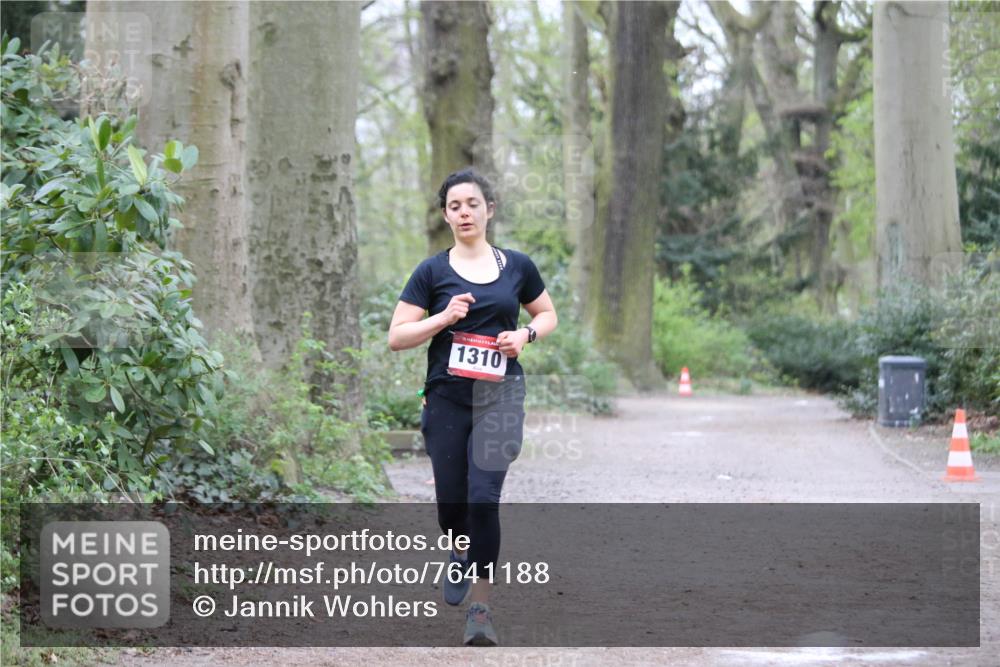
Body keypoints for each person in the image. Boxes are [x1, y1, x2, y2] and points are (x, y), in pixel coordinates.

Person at [388, 167, 557, 646]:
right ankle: (458, 549)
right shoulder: (431, 272)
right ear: (446, 216)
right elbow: (397, 337)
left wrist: (525, 335)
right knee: (452, 506)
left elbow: (547, 314)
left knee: (483, 497)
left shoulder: (518, 266)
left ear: (489, 210)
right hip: (446, 399)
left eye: (473, 204)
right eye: (455, 206)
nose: (464, 212)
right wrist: (443, 317)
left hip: (500, 396)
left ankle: (480, 610)